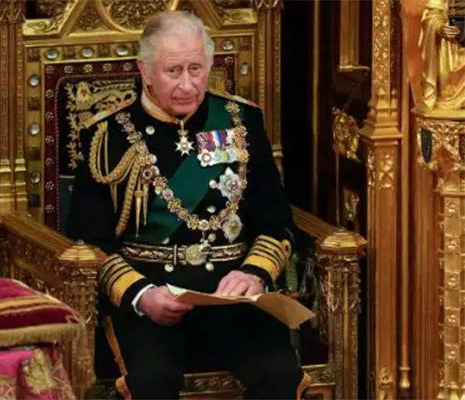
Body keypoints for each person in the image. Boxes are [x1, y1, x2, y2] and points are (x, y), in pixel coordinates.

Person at [67, 10, 309, 400]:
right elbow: (88, 242)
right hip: (151, 295)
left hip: (234, 295)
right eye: (173, 71)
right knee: (152, 383)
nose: (187, 84)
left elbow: (275, 219)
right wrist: (141, 295)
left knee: (279, 376)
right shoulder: (107, 136)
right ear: (145, 70)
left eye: (196, 69)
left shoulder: (241, 121)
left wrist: (254, 274)